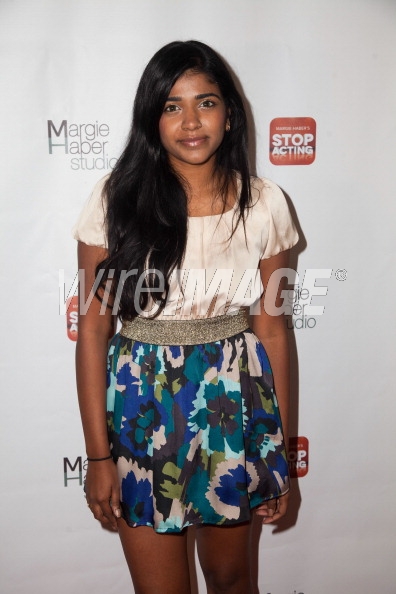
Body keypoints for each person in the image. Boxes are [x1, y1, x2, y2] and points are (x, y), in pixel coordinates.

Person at [73, 40, 299, 594]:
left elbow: (272, 326)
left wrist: (279, 452)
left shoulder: (265, 202)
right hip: (141, 407)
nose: (191, 121)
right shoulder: (114, 200)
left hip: (232, 408)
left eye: (207, 102)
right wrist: (98, 456)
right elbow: (95, 330)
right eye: (172, 105)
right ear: (152, 117)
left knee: (231, 580)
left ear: (230, 114)